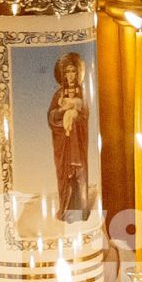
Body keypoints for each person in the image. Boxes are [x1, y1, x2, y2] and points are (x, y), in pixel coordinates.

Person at [47, 52, 90, 219]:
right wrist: (63, 111)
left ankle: (82, 210)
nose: (70, 75)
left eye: (73, 71)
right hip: (64, 142)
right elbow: (51, 117)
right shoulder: (58, 95)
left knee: (79, 172)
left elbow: (85, 115)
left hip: (77, 141)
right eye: (67, 72)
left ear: (78, 73)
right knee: (65, 173)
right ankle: (65, 209)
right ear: (62, 75)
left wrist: (75, 115)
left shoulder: (82, 93)